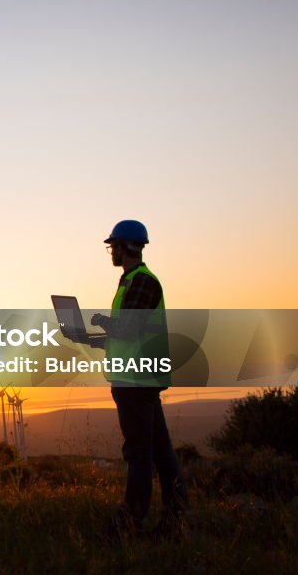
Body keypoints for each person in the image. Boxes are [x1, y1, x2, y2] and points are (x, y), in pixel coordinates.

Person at [86, 220, 187, 539]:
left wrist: (101, 320)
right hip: (134, 377)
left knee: (139, 453)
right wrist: (88, 337)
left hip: (137, 380)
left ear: (126, 246)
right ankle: (176, 519)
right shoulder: (130, 281)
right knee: (159, 451)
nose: (110, 251)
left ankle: (129, 520)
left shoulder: (142, 282)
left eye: (112, 245)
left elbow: (129, 330)